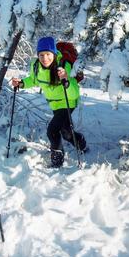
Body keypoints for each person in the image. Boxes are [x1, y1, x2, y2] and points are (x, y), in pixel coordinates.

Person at [10, 36, 87, 168]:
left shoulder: (64, 66)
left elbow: (74, 92)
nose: (45, 58)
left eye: (48, 54)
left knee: (52, 130)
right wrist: (22, 83)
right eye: (41, 55)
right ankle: (81, 143)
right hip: (54, 104)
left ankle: (57, 160)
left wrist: (66, 81)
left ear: (54, 53)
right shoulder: (36, 67)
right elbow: (33, 80)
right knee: (66, 132)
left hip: (68, 102)